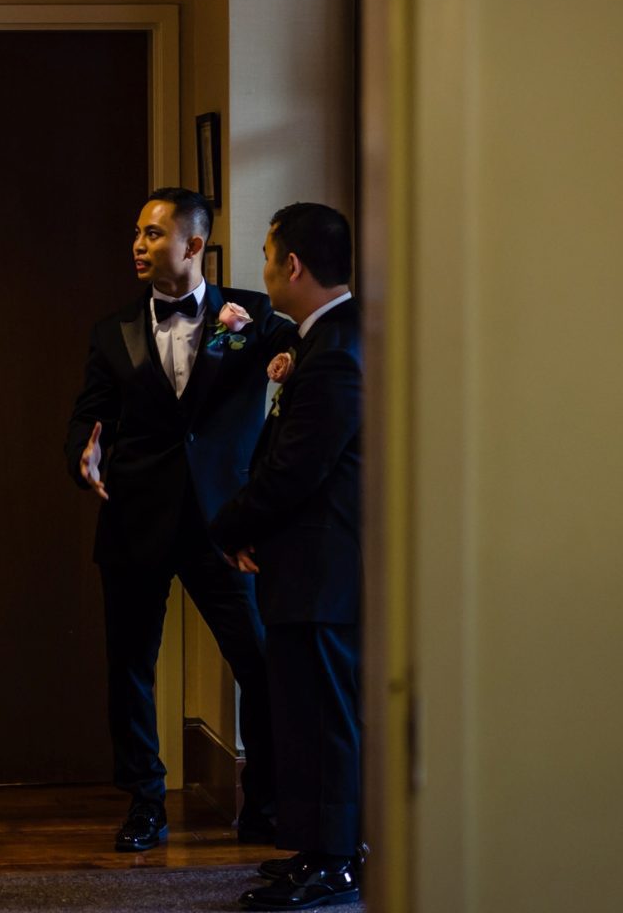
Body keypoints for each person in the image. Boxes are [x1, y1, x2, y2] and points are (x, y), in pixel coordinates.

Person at [65, 187, 295, 852]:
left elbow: (315, 363)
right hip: (136, 519)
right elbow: (88, 413)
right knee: (132, 667)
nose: (139, 245)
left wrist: (286, 363)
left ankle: (267, 804)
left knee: (258, 660)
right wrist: (83, 451)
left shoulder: (252, 314)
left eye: (154, 234)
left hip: (226, 523)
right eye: (137, 233)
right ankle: (144, 802)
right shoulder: (112, 331)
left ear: (195, 245)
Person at [209, 202, 364, 911]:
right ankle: (316, 849)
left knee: (325, 717)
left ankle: (336, 861)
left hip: (325, 567)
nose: (264, 268)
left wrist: (228, 526)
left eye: (268, 254)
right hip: (308, 563)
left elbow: (296, 469)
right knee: (304, 710)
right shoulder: (322, 341)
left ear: (292, 265)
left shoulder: (335, 351)